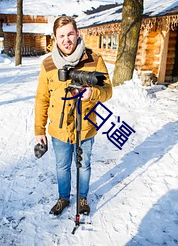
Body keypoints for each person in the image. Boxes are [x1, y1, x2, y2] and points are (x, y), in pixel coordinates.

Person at [34, 16, 112, 216]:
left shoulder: (94, 59)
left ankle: (83, 198)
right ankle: (63, 198)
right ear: (55, 38)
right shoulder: (48, 64)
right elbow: (42, 98)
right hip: (59, 129)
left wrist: (93, 93)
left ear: (77, 34)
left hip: (85, 126)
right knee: (62, 166)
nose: (66, 39)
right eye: (61, 36)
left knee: (84, 164)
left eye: (70, 34)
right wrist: (39, 130)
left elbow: (108, 90)